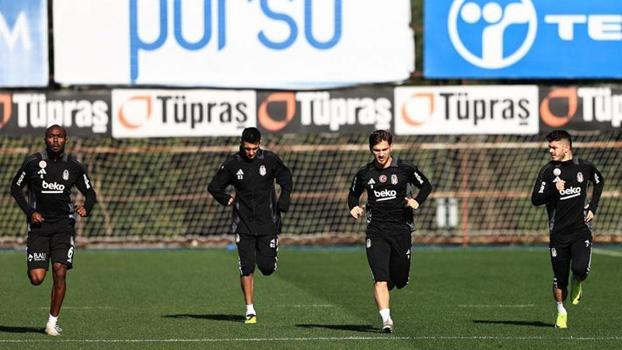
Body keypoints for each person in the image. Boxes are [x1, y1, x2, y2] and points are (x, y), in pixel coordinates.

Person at [10, 125, 97, 336]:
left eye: (59, 137)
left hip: (63, 227)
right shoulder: (32, 163)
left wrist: (86, 207)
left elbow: (90, 192)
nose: (55, 140)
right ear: (45, 139)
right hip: (39, 228)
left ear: (66, 140)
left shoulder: (74, 165)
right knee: (37, 278)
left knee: (60, 271)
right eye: (51, 137)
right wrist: (30, 211)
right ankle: (36, 262)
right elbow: (15, 188)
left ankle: (52, 322)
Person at [347, 130, 432, 333]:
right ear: (371, 150)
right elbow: (353, 194)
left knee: (400, 280)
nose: (381, 154)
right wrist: (354, 206)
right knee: (380, 278)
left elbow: (426, 185)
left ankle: (397, 278)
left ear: (390, 147)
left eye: (384, 149)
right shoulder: (364, 173)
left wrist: (416, 201)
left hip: (401, 230)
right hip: (376, 231)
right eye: (376, 150)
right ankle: (387, 320)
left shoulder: (405, 169)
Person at [208, 127, 292, 324]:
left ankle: (268, 259)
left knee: (267, 267)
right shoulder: (232, 163)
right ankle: (250, 310)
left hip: (268, 222)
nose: (251, 152)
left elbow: (286, 177)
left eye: (254, 148)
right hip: (243, 224)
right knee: (246, 267)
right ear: (241, 144)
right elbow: (213, 187)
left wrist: (284, 198)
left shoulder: (270, 160)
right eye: (247, 148)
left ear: (260, 144)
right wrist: (226, 199)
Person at [531, 130, 604, 329]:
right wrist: (554, 190)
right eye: (549, 148)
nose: (551, 151)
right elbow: (535, 199)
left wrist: (593, 208)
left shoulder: (583, 166)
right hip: (558, 234)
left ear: (566, 147)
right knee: (559, 279)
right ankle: (561, 311)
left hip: (581, 230)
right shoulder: (547, 171)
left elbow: (599, 181)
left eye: (554, 147)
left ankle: (578, 281)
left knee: (580, 269)